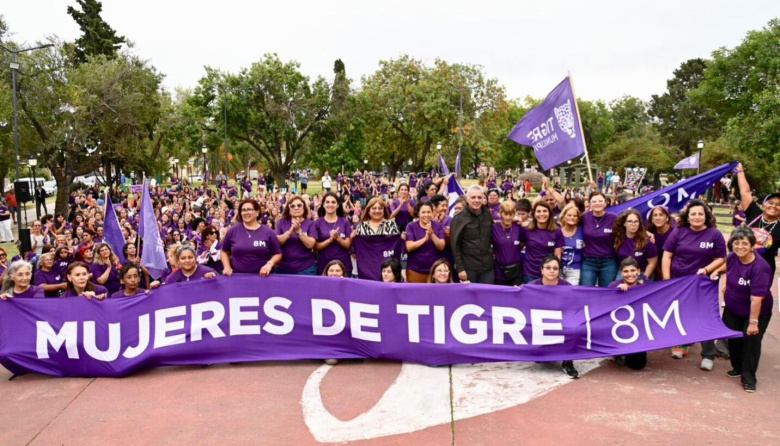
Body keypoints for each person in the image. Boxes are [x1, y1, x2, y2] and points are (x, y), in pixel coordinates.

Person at [662, 199, 727, 366]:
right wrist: (667, 279)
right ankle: (681, 344)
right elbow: (667, 256)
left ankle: (708, 355)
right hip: (679, 280)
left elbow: (720, 258)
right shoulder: (678, 232)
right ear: (687, 217)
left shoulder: (715, 234)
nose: (697, 217)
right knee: (680, 313)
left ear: (706, 216)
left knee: (705, 316)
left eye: (700, 214)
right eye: (693, 214)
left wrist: (706, 270)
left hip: (703, 282)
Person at [709, 227, 773, 393]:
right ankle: (737, 368)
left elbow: (757, 299)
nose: (740, 246)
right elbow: (726, 267)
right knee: (734, 341)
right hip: (732, 308)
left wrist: (753, 322)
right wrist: (716, 271)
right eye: (736, 243)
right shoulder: (732, 257)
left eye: (744, 243)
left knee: (751, 342)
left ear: (752, 246)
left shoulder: (760, 267)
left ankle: (749, 378)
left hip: (756, 312)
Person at [528, 255, 578, 379]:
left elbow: (574, 307)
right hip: (540, 322)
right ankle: (543, 352)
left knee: (574, 329)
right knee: (541, 361)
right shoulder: (531, 286)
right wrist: (516, 292)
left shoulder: (567, 287)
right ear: (541, 270)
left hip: (561, 320)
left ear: (559, 271)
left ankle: (568, 362)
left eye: (555, 268)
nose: (551, 271)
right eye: (548, 267)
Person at [734, 162, 780, 278]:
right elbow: (745, 192)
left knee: (758, 296)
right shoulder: (754, 213)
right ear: (764, 205)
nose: (774, 206)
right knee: (736, 294)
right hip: (740, 265)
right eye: (770, 203)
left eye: (778, 205)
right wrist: (740, 171)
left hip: (764, 270)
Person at [221, 199, 282, 277]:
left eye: (249, 209)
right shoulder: (232, 231)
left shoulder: (268, 232)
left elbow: (277, 254)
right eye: (243, 210)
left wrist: (269, 264)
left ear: (257, 212)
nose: (246, 212)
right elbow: (224, 252)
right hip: (237, 277)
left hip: (263, 278)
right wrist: (227, 267)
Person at [608, 258, 648, 370]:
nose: (629, 274)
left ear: (639, 272)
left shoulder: (646, 287)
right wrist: (616, 292)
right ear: (621, 273)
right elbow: (604, 304)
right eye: (626, 271)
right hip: (618, 327)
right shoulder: (614, 285)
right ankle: (618, 352)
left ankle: (626, 354)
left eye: (633, 270)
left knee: (638, 365)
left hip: (638, 329)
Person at [451, 186, 494, 284]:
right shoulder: (459, 218)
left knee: (486, 297)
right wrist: (460, 269)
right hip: (469, 268)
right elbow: (455, 245)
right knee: (469, 299)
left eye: (479, 197)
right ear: (467, 199)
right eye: (473, 197)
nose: (477, 200)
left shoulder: (487, 214)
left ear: (483, 198)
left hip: (487, 267)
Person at [580, 192, 617, 287]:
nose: (597, 203)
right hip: (588, 261)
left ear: (605, 203)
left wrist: (646, 232)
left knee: (607, 292)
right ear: (590, 204)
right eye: (594, 201)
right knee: (586, 290)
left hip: (608, 261)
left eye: (600, 201)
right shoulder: (584, 217)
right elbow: (568, 225)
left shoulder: (614, 218)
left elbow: (630, 226)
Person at [522, 201, 564, 283]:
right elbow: (519, 246)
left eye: (545, 211)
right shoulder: (527, 230)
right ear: (534, 214)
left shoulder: (557, 231)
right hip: (530, 273)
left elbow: (557, 255)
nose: (541, 214)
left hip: (549, 274)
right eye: (538, 211)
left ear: (550, 213)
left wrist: (555, 272)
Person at [405, 201, 446, 283]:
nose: (426, 215)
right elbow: (409, 247)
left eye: (428, 212)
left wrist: (432, 235)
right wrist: (424, 239)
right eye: (423, 212)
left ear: (432, 212)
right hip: (415, 270)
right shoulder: (411, 226)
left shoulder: (439, 226)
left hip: (435, 271)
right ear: (418, 213)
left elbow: (441, 246)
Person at [276, 196, 317, 275]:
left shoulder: (310, 224)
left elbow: (311, 244)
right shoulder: (281, 222)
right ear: (289, 209)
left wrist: (299, 231)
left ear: (304, 207)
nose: (296, 208)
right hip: (283, 268)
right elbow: (276, 242)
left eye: (299, 205)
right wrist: (290, 232)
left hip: (306, 269)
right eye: (292, 206)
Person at [613, 209, 658, 281]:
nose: (633, 224)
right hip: (623, 274)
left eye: (636, 221)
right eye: (630, 221)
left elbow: (652, 263)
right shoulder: (618, 238)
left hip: (642, 274)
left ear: (639, 224)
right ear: (624, 223)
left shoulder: (647, 241)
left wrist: (644, 279)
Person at [314, 193, 352, 275]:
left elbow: (348, 245)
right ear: (323, 205)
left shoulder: (344, 222)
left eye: (333, 202)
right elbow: (315, 247)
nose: (330, 205)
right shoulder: (317, 223)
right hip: (324, 265)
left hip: (343, 265)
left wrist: (338, 238)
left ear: (338, 205)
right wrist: (330, 240)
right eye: (327, 202)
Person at [492, 201, 526, 286]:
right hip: (499, 271)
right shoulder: (494, 228)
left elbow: (523, 242)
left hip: (516, 271)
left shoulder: (518, 227)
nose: (508, 217)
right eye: (505, 214)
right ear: (500, 214)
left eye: (511, 214)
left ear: (514, 214)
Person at [647, 206, 676, 279]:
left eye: (661, 215)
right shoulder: (650, 234)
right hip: (657, 272)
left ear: (667, 218)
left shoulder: (675, 232)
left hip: (675, 271)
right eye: (655, 215)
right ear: (652, 219)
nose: (658, 218)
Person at [560, 204, 584, 285]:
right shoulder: (557, 232)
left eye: (575, 216)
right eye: (569, 215)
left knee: (570, 293)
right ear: (564, 216)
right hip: (559, 269)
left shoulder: (582, 230)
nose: (572, 217)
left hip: (575, 270)